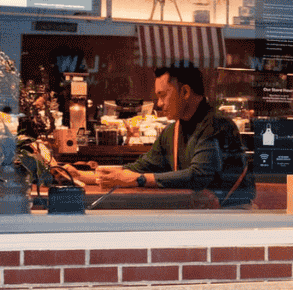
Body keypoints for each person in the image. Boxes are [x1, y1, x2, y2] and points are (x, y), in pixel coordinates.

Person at [78, 64, 252, 207]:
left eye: (163, 95)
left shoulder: (217, 126)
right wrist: (82, 176)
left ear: (185, 92)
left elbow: (198, 176)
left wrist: (138, 180)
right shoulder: (172, 131)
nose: (159, 104)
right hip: (201, 215)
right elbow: (142, 166)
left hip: (232, 217)